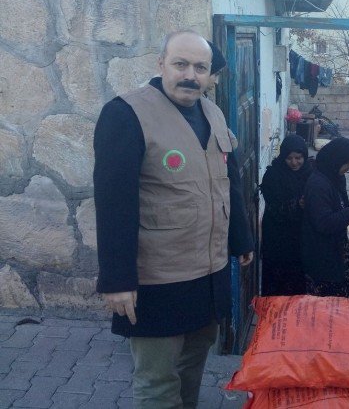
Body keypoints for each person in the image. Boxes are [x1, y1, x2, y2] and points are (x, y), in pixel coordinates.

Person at [94, 30, 254, 408]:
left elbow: (226, 181)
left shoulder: (212, 112)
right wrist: (117, 280)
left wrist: (241, 237)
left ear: (210, 74)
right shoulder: (126, 115)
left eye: (200, 68)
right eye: (180, 64)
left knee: (191, 371)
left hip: (209, 275)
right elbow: (114, 202)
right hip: (158, 279)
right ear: (160, 64)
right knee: (157, 382)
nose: (190, 75)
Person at [301, 137, 349, 299]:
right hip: (322, 256)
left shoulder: (335, 178)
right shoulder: (318, 185)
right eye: (348, 163)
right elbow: (324, 223)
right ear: (336, 160)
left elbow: (341, 209)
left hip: (336, 250)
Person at [259, 134, 311, 296]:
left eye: (298, 157)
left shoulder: (310, 173)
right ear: (283, 157)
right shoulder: (273, 175)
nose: (294, 162)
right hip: (277, 239)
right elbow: (273, 208)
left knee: (298, 284)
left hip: (301, 239)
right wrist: (297, 204)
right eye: (289, 158)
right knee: (277, 284)